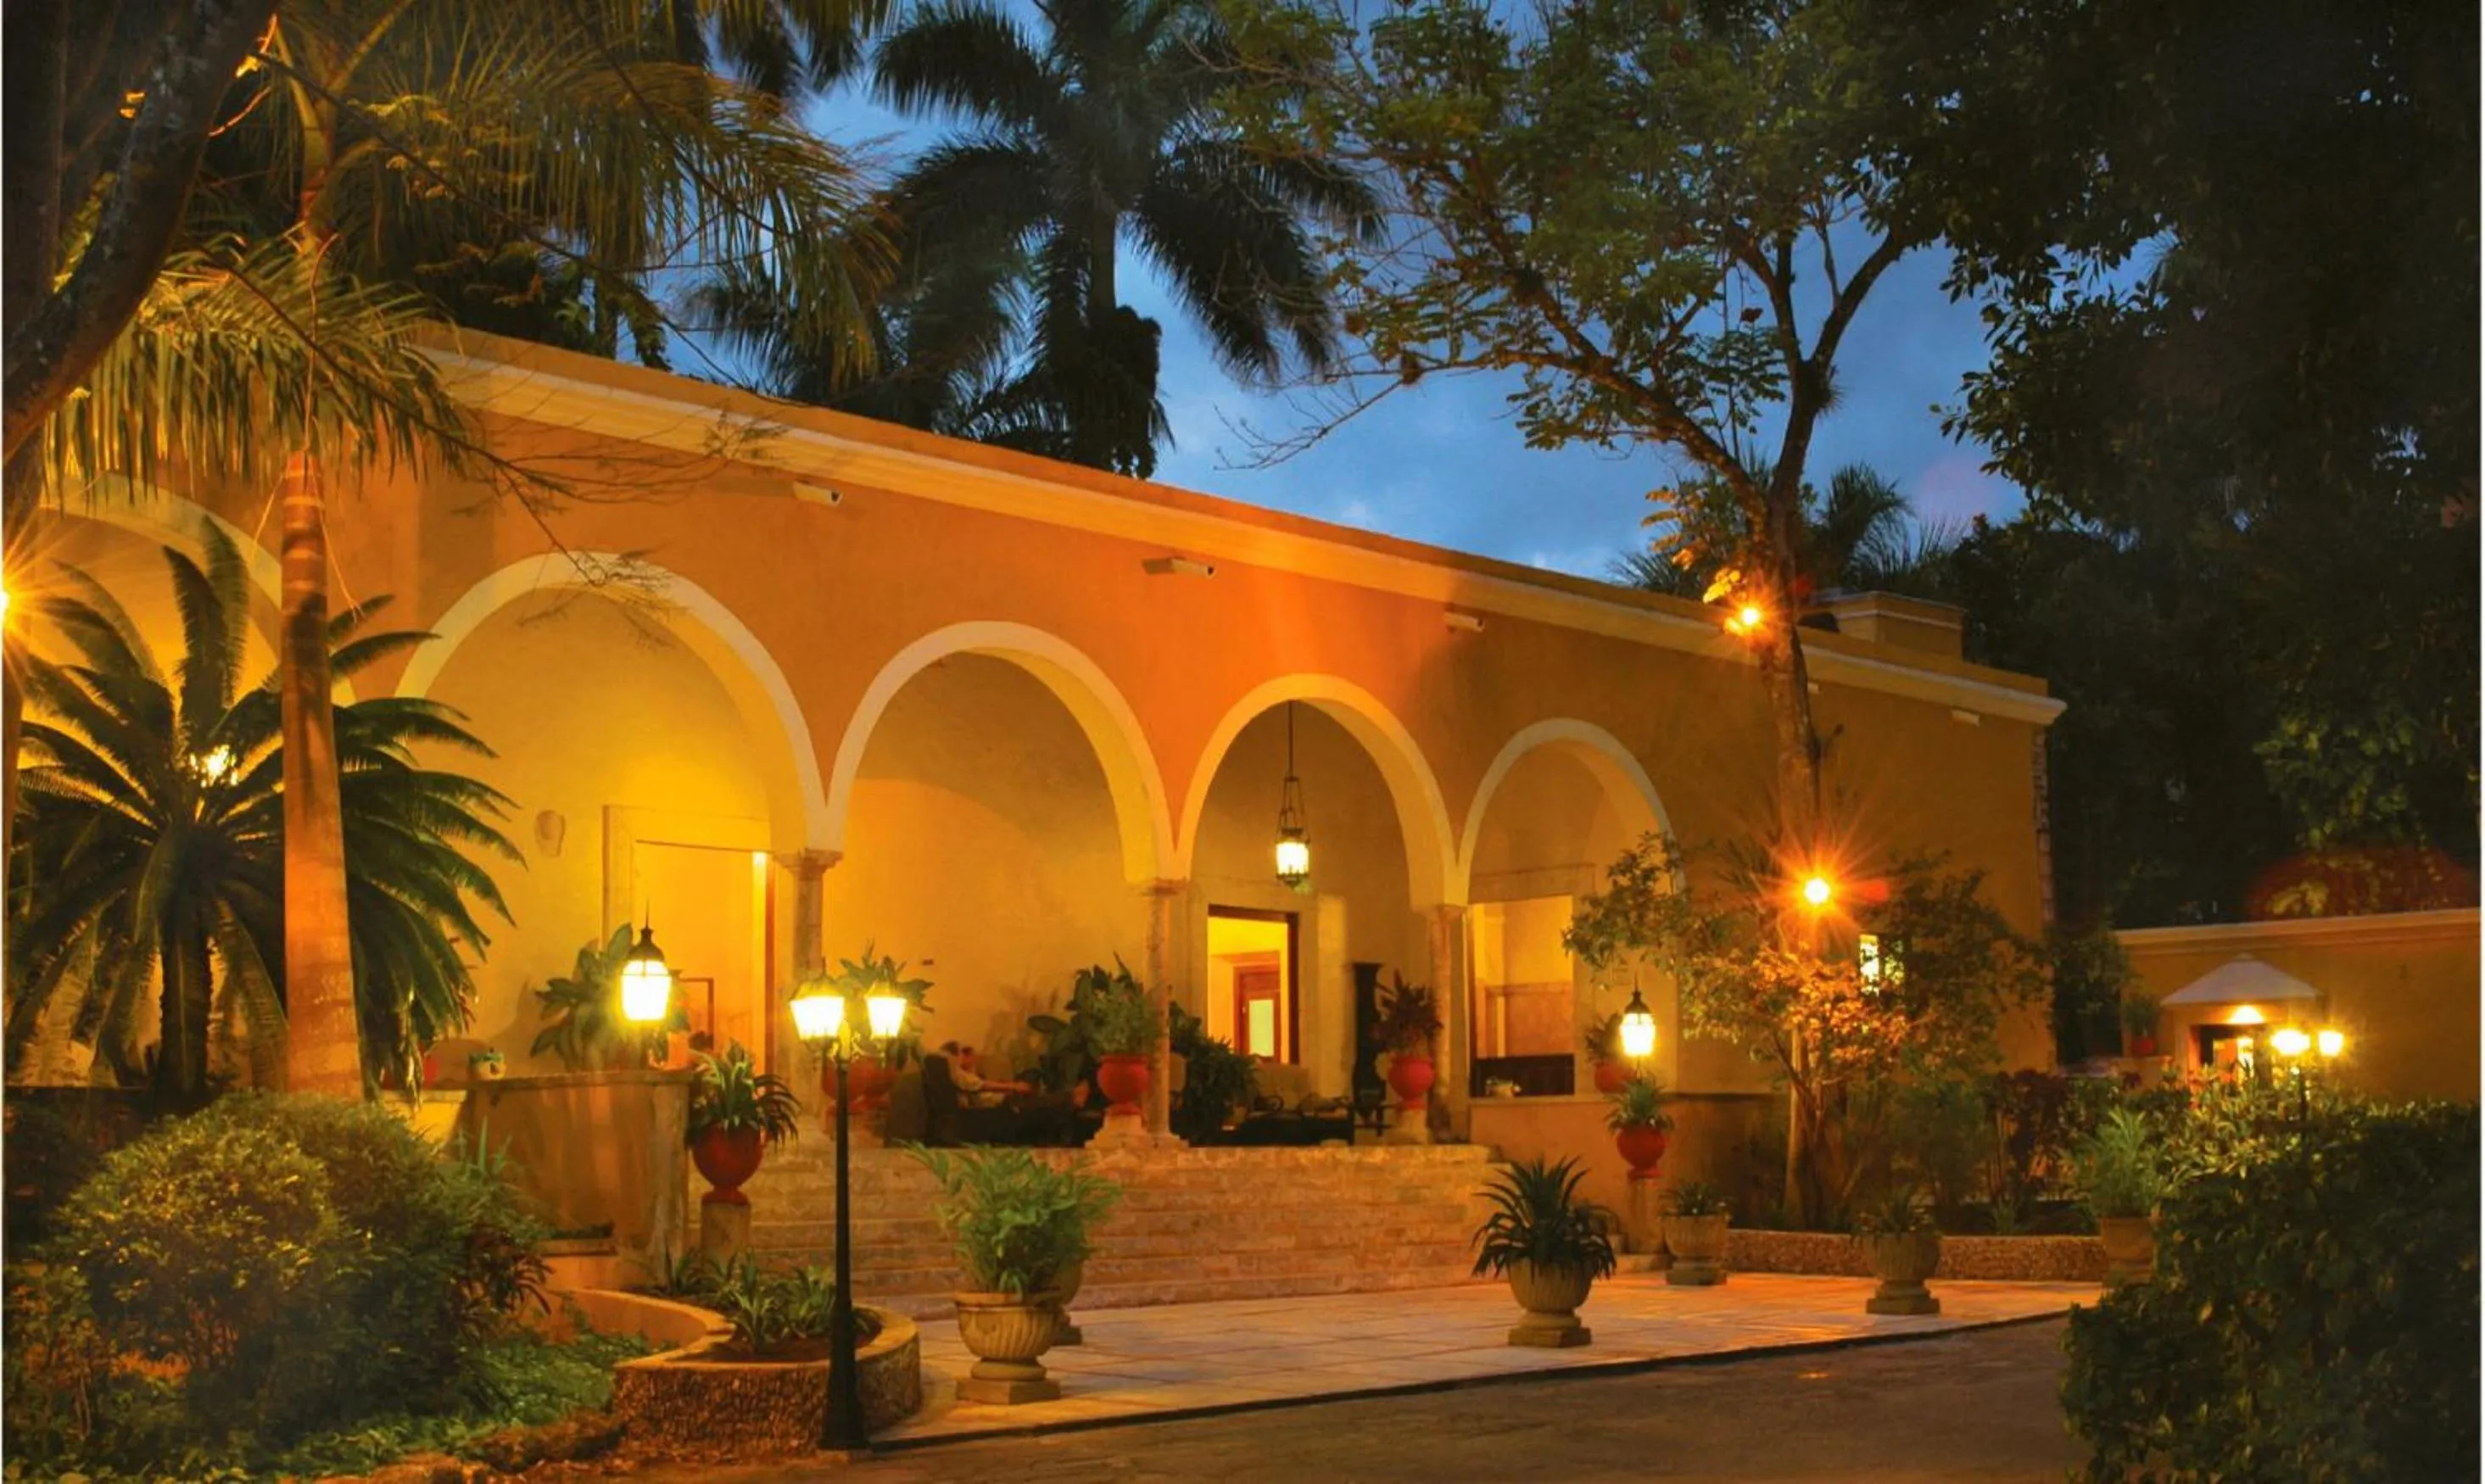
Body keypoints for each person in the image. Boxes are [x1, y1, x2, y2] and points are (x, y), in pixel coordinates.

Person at [941, 1041, 1031, 1107]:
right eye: (962, 1054)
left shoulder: (954, 1072)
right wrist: (1014, 1086)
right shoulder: (956, 1073)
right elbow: (982, 1086)